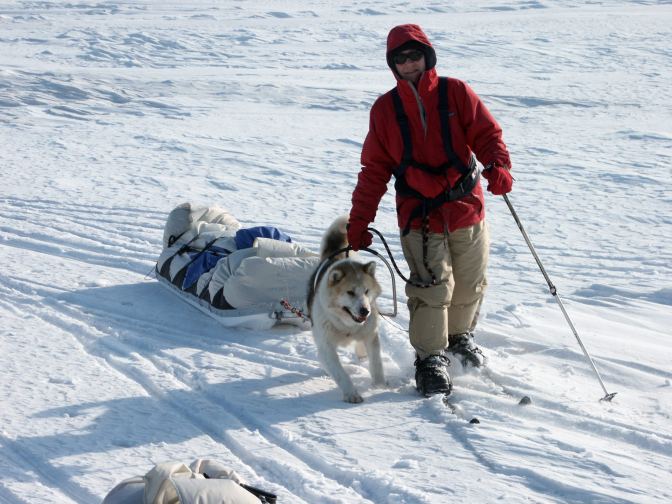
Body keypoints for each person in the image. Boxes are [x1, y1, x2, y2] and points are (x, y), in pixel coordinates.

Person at [347, 24, 513, 399]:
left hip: (466, 206)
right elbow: (374, 171)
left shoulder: (456, 93)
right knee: (431, 289)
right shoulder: (385, 110)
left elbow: (487, 135)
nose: (409, 64)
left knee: (470, 283)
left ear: (427, 55)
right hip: (419, 216)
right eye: (400, 58)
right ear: (393, 65)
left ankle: (458, 337)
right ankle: (430, 358)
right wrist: (360, 221)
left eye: (414, 55)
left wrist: (498, 166)